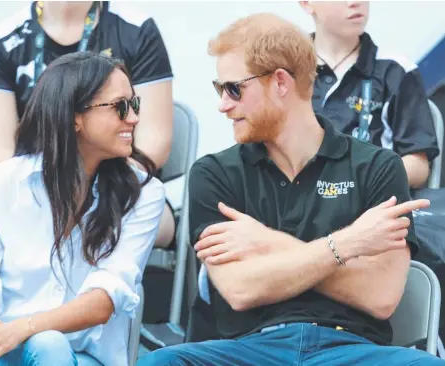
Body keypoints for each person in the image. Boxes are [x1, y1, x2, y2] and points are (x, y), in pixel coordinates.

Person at [137, 13, 443, 366]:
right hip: (246, 350)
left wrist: (268, 242)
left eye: (234, 88)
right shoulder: (213, 173)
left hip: (351, 350)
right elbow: (240, 290)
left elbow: (380, 296)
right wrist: (346, 244)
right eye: (219, 89)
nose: (223, 104)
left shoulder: (378, 167)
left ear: (280, 82)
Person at [0, 52, 165, 366]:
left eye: (135, 104)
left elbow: (104, 300)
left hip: (82, 357)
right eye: (120, 106)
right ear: (74, 116)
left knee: (49, 346)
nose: (133, 117)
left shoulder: (143, 193)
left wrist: (21, 329)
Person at [0, 1, 175, 248]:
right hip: (34, 188)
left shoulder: (137, 29)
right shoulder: (3, 38)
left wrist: (95, 190)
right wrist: (45, 193)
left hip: (119, 183)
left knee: (148, 218)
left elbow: (154, 141)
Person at [301, 1, 439, 189]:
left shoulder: (396, 70)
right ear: (307, 3)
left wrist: (364, 181)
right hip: (297, 204)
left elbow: (419, 164)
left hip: (372, 203)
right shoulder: (286, 70)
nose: (355, 3)